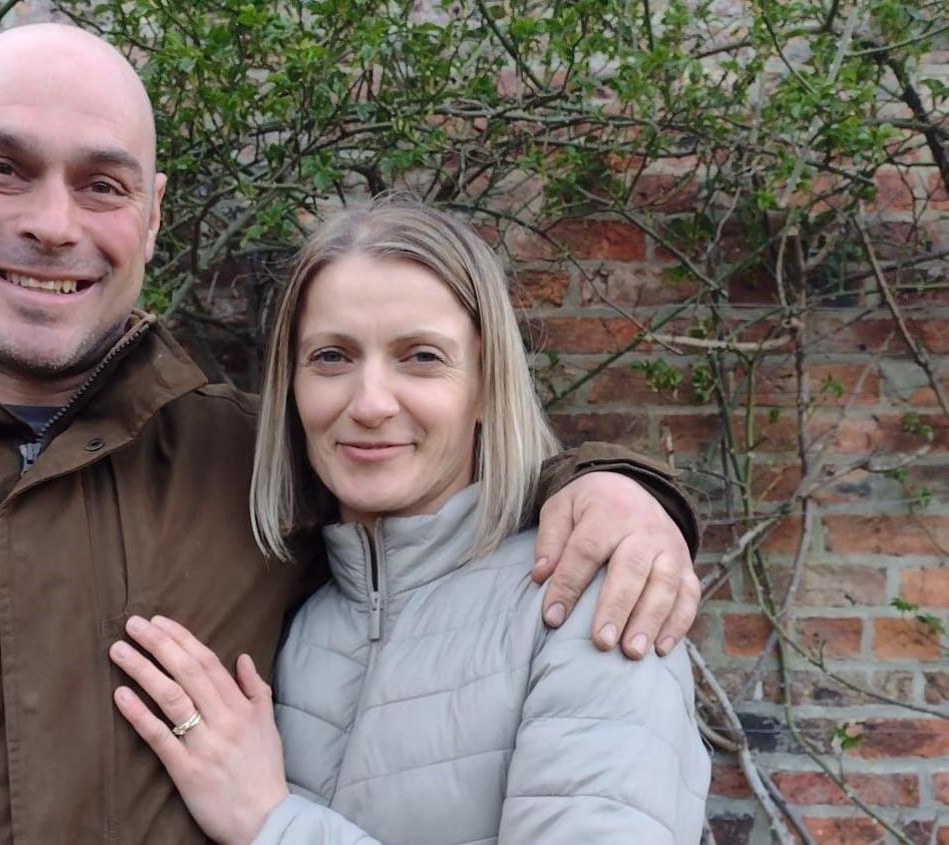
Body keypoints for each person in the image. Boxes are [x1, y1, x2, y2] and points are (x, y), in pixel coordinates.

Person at [0, 24, 702, 843]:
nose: (51, 223)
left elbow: (431, 473)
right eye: (3, 167)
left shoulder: (251, 467)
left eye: (100, 184)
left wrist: (609, 484)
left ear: (150, 215)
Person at [110, 199, 710, 844]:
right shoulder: (292, 605)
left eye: (421, 356)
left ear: (484, 384)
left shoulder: (586, 598)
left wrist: (272, 823)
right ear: (290, 389)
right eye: (332, 357)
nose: (369, 403)